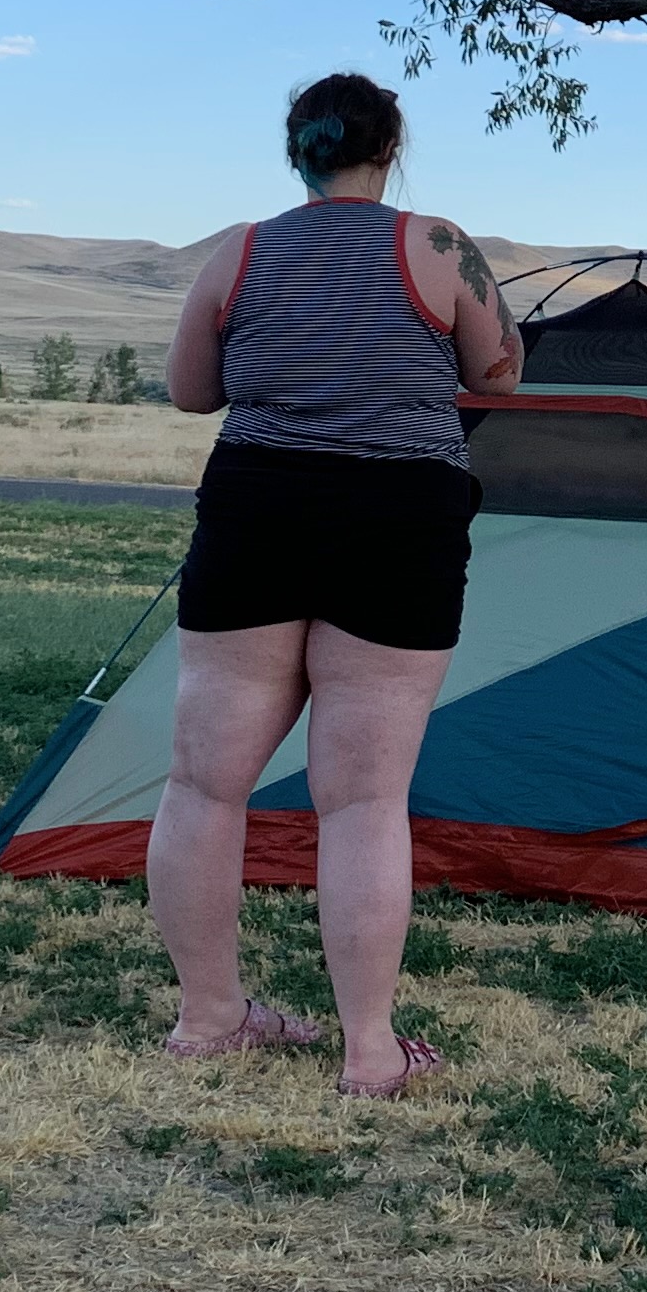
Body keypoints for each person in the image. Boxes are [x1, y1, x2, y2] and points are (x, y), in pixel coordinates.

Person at [152, 71, 520, 1096]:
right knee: (363, 801)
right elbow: (499, 376)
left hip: (259, 505)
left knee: (203, 781)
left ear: (296, 153)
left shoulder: (244, 250)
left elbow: (192, 391)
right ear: (390, 149)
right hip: (399, 516)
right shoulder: (438, 246)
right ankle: (370, 1052)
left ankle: (209, 1021)